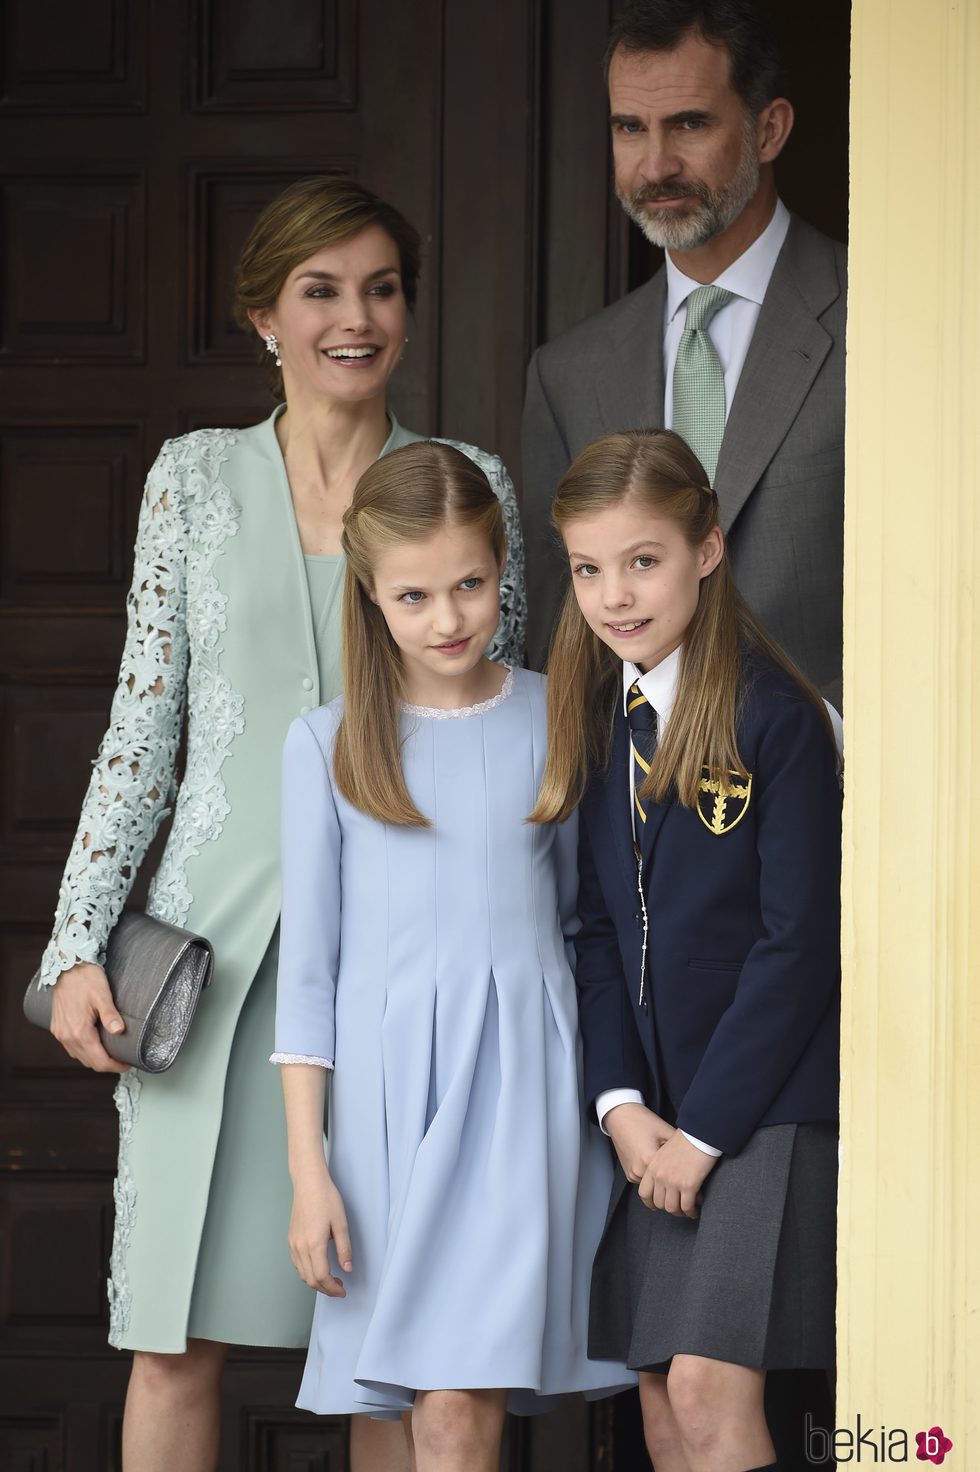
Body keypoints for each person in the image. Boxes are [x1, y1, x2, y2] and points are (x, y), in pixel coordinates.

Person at [37, 177, 525, 1472]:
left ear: (409, 312)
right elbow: (142, 730)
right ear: (265, 313)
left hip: (398, 978)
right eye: (321, 289)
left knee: (386, 1360)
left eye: (379, 287)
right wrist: (76, 941)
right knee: (170, 1342)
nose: (353, 317)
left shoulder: (467, 485)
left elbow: (493, 734)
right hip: (208, 967)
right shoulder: (192, 481)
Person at [273, 441, 630, 1470]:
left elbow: (582, 923)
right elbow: (310, 977)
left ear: (503, 563)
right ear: (370, 593)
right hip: (388, 1118)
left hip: (522, 1096)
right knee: (423, 1413)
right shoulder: (327, 744)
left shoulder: (556, 712)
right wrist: (310, 1170)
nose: (447, 619)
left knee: (457, 1408)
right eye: (414, 595)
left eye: (470, 584)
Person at [530, 429, 840, 1472]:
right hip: (653, 1111)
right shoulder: (593, 714)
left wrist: (699, 1134)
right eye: (586, 567)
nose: (613, 593)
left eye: (642, 559)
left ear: (706, 548)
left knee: (708, 1388)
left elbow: (798, 946)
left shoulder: (773, 717)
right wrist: (619, 1107)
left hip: (753, 1108)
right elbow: (594, 933)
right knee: (660, 1398)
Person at [522, 0, 846, 710]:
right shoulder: (567, 372)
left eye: (690, 124)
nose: (656, 164)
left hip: (838, 788)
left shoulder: (882, 326)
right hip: (633, 801)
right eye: (630, 128)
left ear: (769, 129)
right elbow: (556, 637)